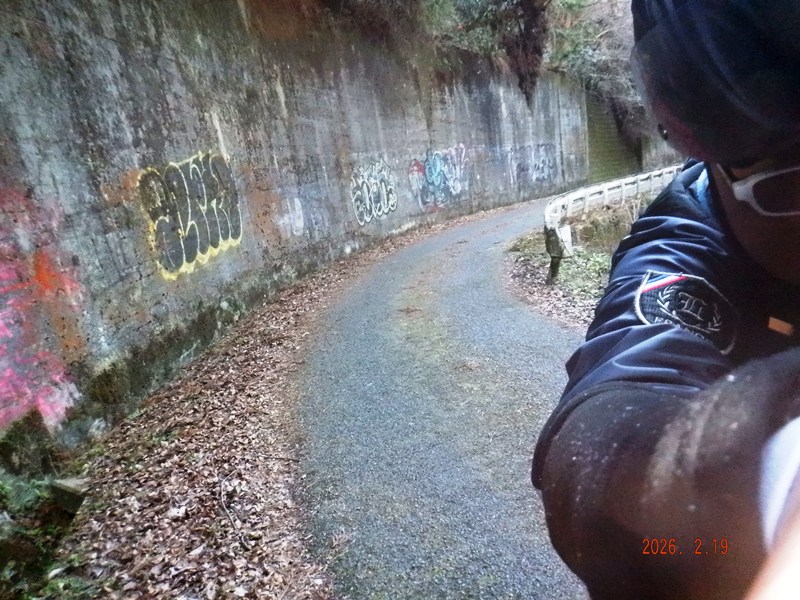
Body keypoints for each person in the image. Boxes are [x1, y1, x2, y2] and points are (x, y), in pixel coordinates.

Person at [531, 1, 800, 599]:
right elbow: (599, 430)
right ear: (710, 155)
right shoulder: (683, 243)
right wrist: (773, 467)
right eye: (789, 186)